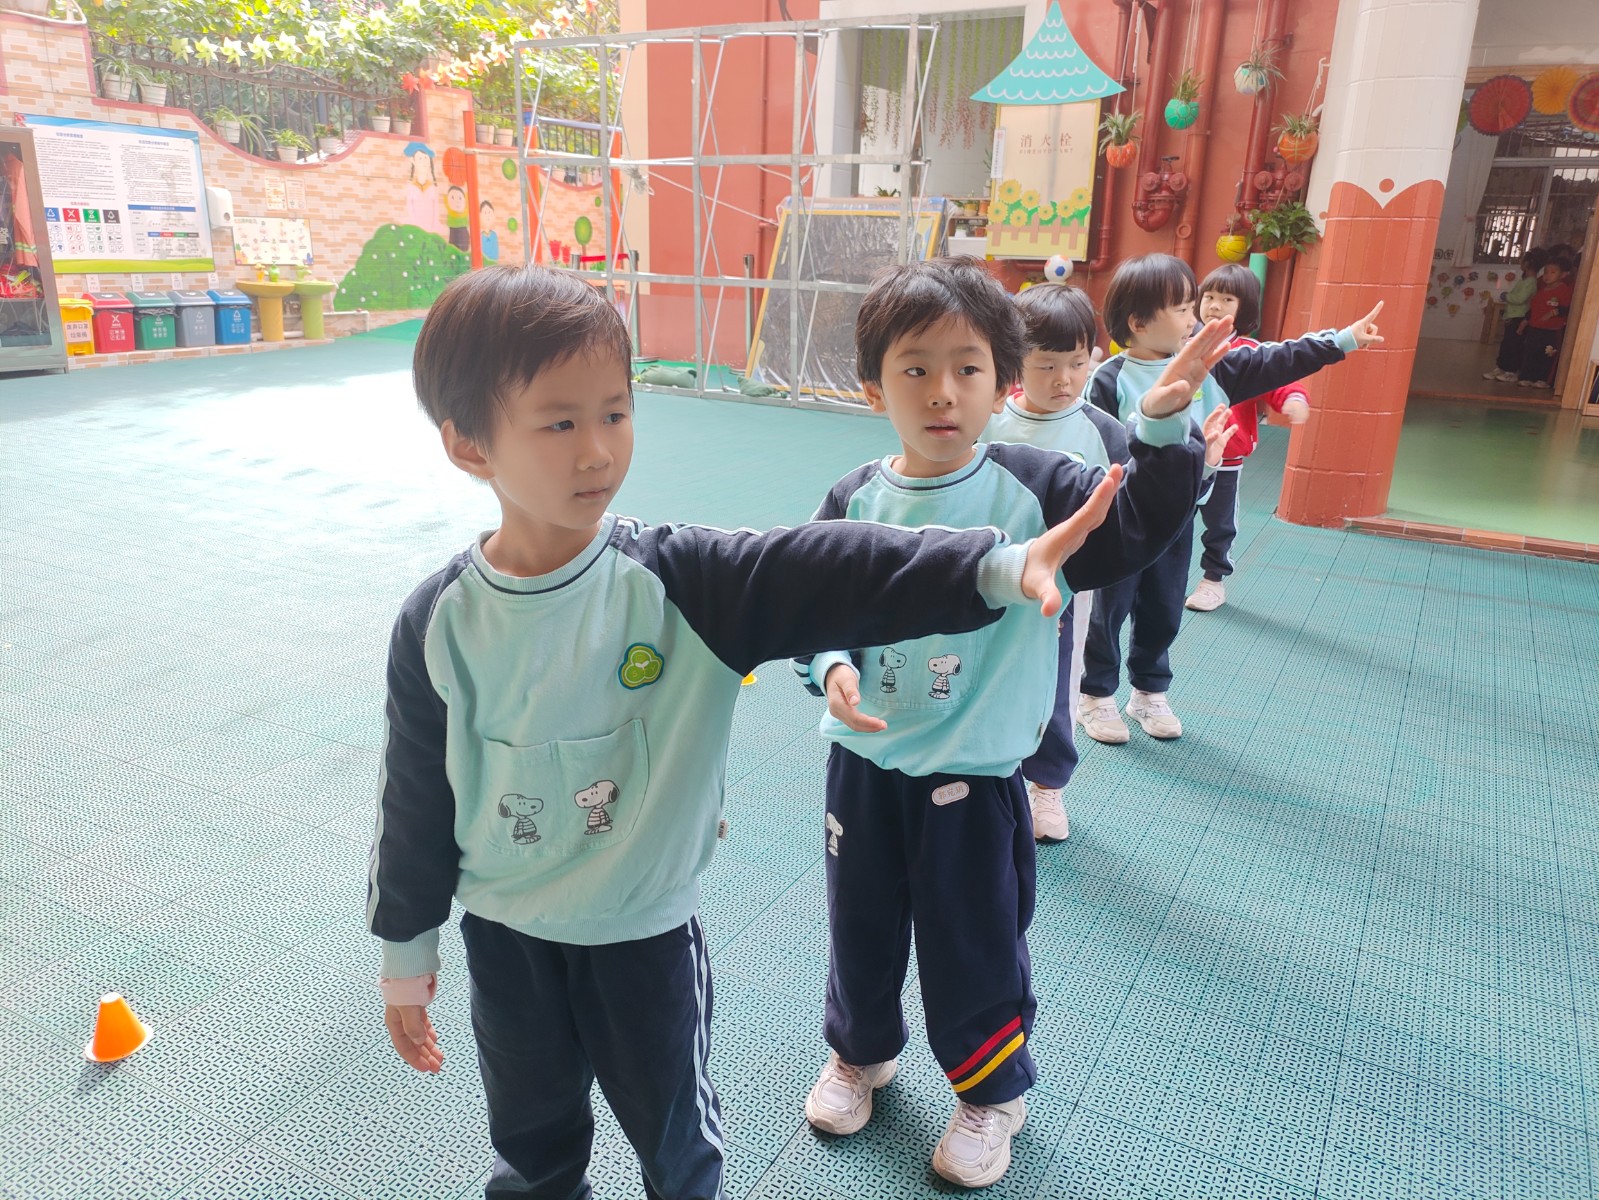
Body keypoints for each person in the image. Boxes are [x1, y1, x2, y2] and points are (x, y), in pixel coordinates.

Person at [368, 264, 1142, 1200]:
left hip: (642, 939)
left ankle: (973, 1086)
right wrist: (406, 952)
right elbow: (416, 795)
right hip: (505, 941)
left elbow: (825, 567)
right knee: (531, 1148)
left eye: (615, 413)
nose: (597, 451)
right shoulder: (439, 621)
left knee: (676, 1149)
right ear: (468, 444)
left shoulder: (681, 582)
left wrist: (994, 567)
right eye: (559, 423)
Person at [792, 256, 1230, 1189]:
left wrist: (1162, 429)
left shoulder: (1038, 485)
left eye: (967, 368)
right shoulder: (853, 496)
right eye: (914, 369)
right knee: (858, 925)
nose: (941, 392)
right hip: (862, 770)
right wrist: (829, 667)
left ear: (1002, 384)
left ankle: (991, 1094)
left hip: (975, 774)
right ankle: (859, 1052)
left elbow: (1134, 531)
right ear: (872, 386)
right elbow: (812, 609)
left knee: (974, 939)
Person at [1078, 253, 1383, 744]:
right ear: (1138, 322)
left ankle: (1149, 691)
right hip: (1123, 521)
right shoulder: (1111, 379)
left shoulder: (1216, 365)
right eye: (1182, 308)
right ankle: (1095, 695)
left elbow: (1277, 359)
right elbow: (1099, 453)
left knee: (1164, 608)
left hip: (1179, 519)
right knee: (1109, 610)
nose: (1193, 318)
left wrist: (1342, 340)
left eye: (1191, 305)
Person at [979, 283, 1127, 842]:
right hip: (992, 577)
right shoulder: (990, 420)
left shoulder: (1102, 431)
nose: (1064, 379)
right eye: (1046, 365)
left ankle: (1048, 787)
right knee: (986, 674)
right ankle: (993, 773)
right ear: (1015, 360)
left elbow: (1130, 507)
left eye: (1078, 363)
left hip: (1062, 590)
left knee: (1056, 682)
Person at [1184, 264, 1311, 613]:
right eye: (1209, 296)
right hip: (1183, 456)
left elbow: (1280, 378)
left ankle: (1213, 580)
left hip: (1225, 458)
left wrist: (1293, 398)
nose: (1214, 305)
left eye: (1227, 299)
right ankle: (1160, 575)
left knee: (1219, 523)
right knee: (1170, 519)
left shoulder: (1248, 351)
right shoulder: (1182, 344)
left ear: (1245, 307)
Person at [1483, 248, 1546, 384]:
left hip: (1519, 317)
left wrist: (1507, 296)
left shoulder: (1531, 282)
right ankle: (1501, 367)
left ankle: (1511, 371)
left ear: (1527, 263)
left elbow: (1520, 299)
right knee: (1506, 344)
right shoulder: (1525, 280)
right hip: (1512, 316)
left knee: (1514, 345)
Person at [1518, 250, 1574, 389]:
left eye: (1552, 272)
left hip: (1551, 330)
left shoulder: (1563, 290)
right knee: (1531, 353)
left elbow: (1565, 308)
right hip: (1535, 328)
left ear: (1563, 275)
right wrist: (1525, 321)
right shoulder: (1542, 289)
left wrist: (1551, 314)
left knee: (1547, 354)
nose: (1547, 275)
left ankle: (1542, 379)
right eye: (1546, 272)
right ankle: (1527, 377)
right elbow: (1534, 308)